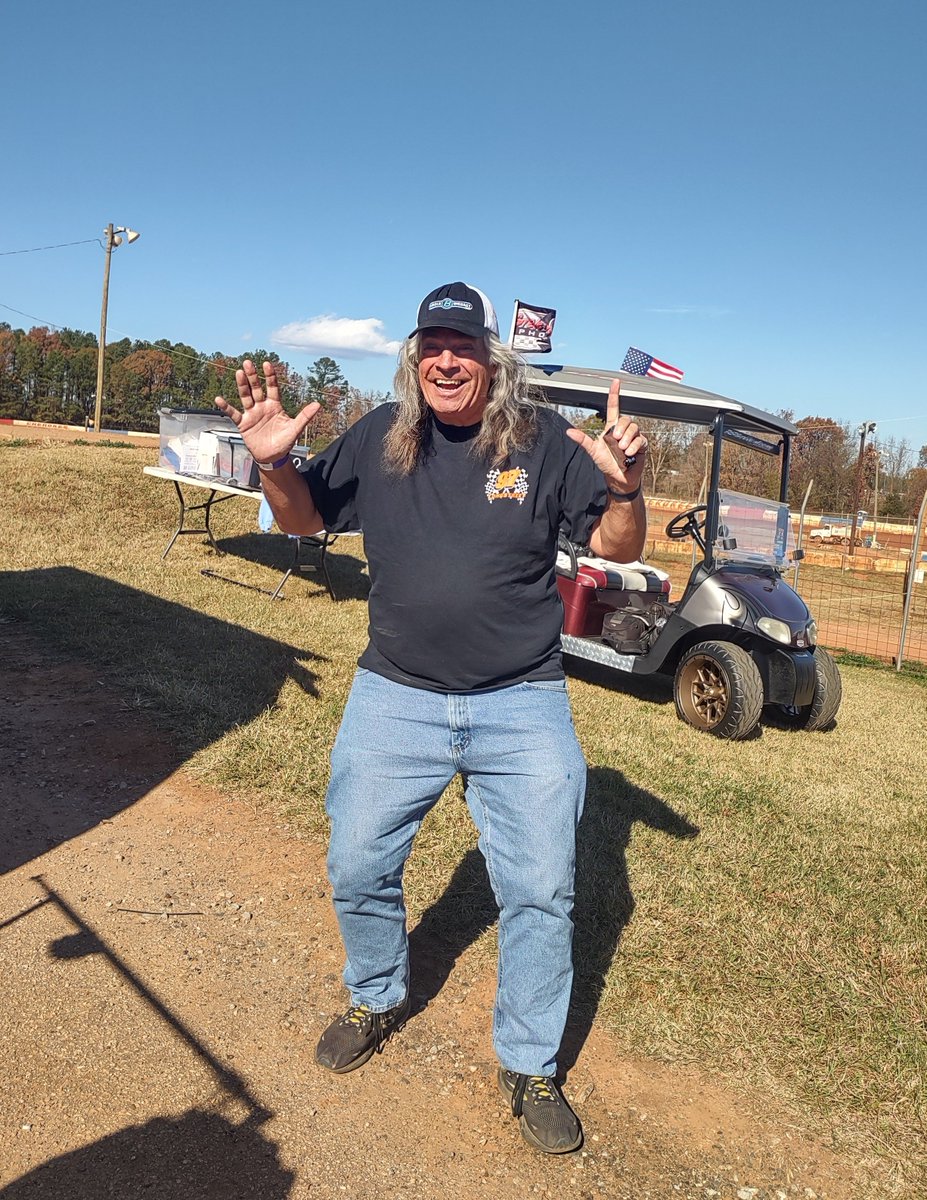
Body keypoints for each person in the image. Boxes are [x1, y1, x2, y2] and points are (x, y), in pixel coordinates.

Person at [215, 282, 648, 1154]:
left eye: (463, 344)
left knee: (540, 891)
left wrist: (627, 487)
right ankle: (375, 996)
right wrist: (271, 465)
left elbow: (616, 547)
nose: (446, 359)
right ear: (416, 357)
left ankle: (528, 1063)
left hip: (520, 702)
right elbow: (304, 521)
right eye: (431, 344)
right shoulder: (382, 434)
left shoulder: (546, 443)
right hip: (395, 695)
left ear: (494, 357)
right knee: (356, 861)